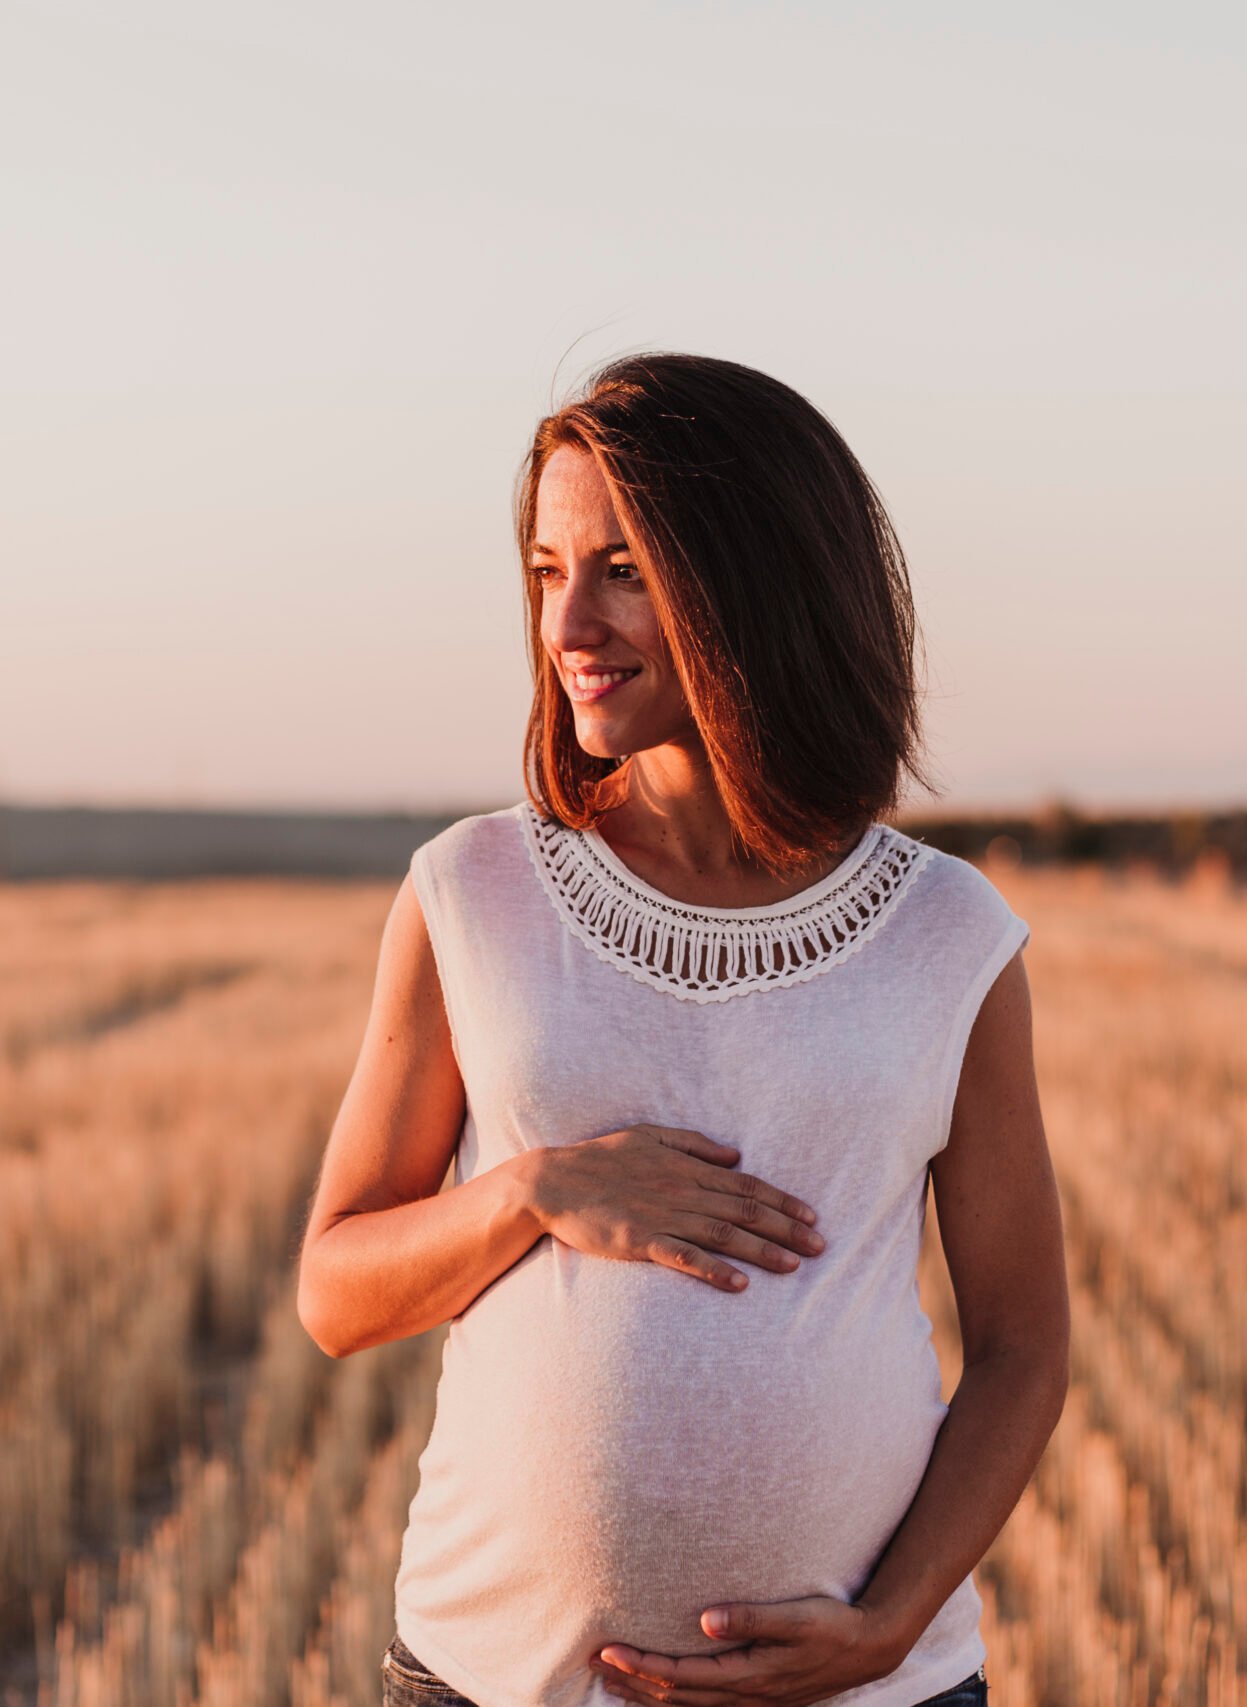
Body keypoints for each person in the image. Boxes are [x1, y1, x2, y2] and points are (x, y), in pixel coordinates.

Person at [295, 351, 1071, 1707]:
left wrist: (889, 1627)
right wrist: (533, 1193)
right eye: (546, 572)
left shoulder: (947, 935)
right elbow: (335, 1292)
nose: (569, 626)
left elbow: (1021, 1345)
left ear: (755, 585)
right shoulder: (468, 894)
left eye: (623, 571)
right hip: (490, 1684)